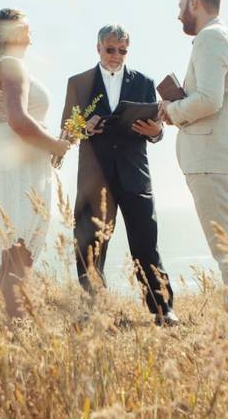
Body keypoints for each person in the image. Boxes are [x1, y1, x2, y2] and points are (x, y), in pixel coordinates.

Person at [62, 24, 179, 326]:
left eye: (122, 50)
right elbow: (66, 130)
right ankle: (94, 312)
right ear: (98, 48)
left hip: (134, 175)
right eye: (110, 49)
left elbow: (157, 130)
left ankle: (163, 310)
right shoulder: (78, 82)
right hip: (93, 178)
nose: (116, 56)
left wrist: (156, 133)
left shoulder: (144, 82)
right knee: (89, 246)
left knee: (145, 244)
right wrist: (82, 127)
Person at [158, 0, 228, 307]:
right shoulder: (218, 37)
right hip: (217, 157)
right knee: (227, 245)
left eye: (180, 5)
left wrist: (171, 110)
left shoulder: (210, 38)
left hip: (213, 160)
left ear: (194, 3)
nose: (178, 14)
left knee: (226, 248)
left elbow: (210, 99)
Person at [0, 8, 70, 319]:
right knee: (20, 256)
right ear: (13, 34)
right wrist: (55, 144)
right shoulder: (12, 66)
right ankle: (17, 332)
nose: (31, 36)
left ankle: (7, 329)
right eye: (26, 30)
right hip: (21, 165)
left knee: (12, 257)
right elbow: (18, 120)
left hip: (13, 161)